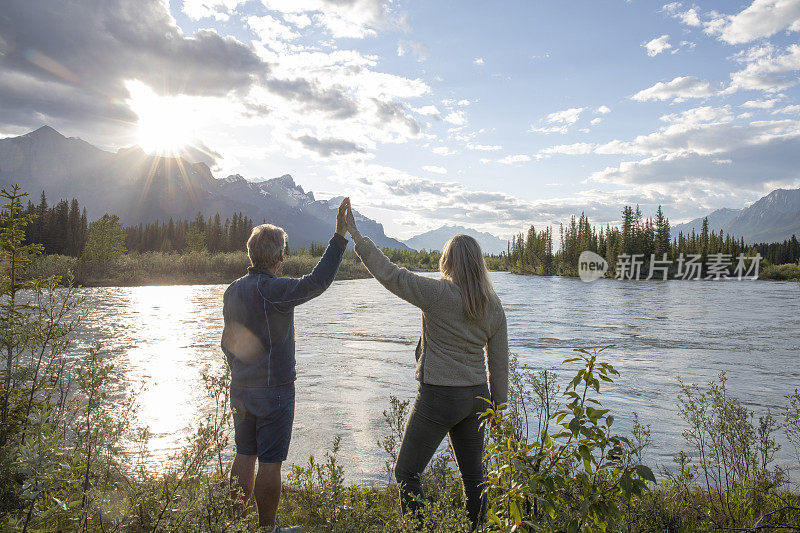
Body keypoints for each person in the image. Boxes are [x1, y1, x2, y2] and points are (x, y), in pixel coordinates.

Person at [343, 199, 508, 530]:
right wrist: (497, 412)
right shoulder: (493, 305)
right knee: (475, 478)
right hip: (477, 399)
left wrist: (357, 237)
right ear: (479, 264)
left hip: (438, 397)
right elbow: (499, 365)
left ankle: (419, 528)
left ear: (447, 262)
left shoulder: (436, 293)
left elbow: (391, 274)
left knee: (406, 472)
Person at [221, 198, 349, 533]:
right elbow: (317, 282)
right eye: (284, 252)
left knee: (243, 454)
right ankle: (268, 529)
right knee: (270, 463)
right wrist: (338, 238)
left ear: (251, 255)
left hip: (241, 390)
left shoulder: (232, 291)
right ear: (279, 257)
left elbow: (227, 343)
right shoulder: (275, 288)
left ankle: (235, 525)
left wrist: (239, 372)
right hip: (274, 393)